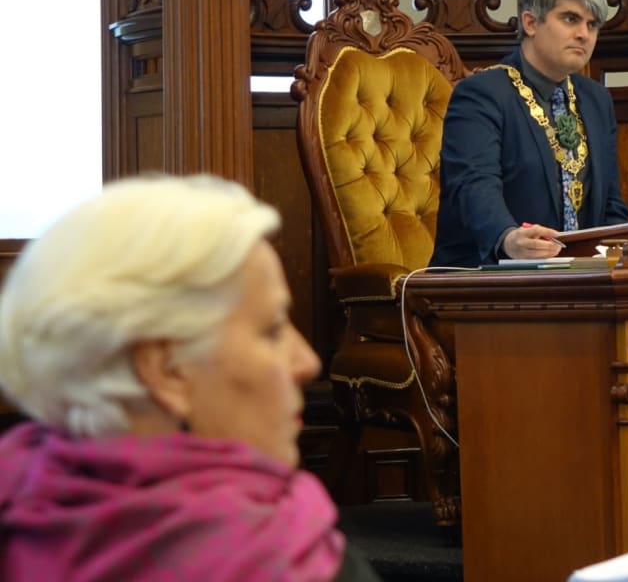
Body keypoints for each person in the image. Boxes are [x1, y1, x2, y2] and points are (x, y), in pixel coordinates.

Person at [0, 175, 378, 581]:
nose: (307, 362)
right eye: (271, 330)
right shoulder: (291, 558)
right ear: (166, 371)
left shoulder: (16, 502)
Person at [430, 0, 628, 268]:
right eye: (570, 19)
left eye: (592, 25)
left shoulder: (596, 99)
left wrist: (620, 256)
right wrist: (506, 236)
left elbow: (611, 203)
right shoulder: (481, 94)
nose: (583, 34)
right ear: (531, 22)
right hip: (487, 278)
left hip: (582, 279)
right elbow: (472, 184)